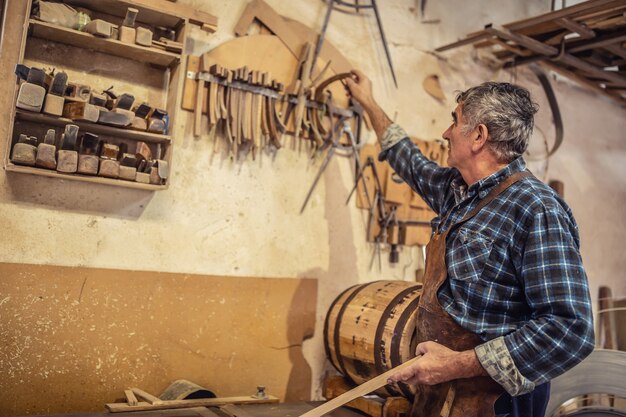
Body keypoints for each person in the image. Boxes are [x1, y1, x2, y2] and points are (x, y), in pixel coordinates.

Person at [345, 70, 595, 417]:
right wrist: (368, 102)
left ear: (478, 136)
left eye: (454, 121)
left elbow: (570, 329)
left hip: (498, 404)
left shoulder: (536, 208)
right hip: (443, 389)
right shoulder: (458, 192)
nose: (445, 132)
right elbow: (409, 160)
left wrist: (458, 364)